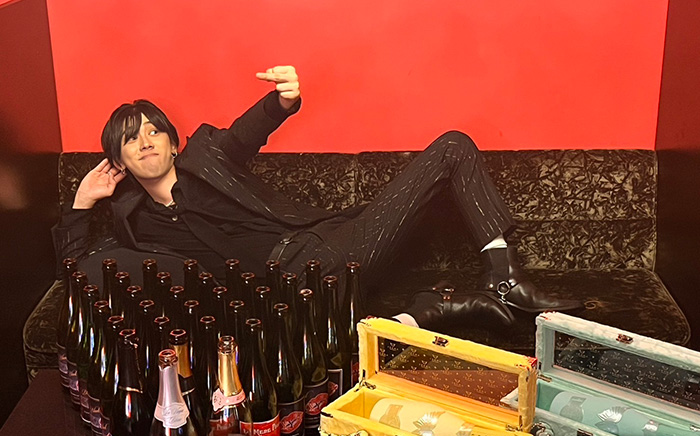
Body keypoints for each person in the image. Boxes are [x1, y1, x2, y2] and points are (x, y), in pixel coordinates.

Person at [53, 65, 581, 330]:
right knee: (320, 340)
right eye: (131, 138)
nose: (146, 140)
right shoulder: (136, 224)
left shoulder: (209, 159)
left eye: (155, 130)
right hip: (285, 303)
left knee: (452, 146)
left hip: (325, 249)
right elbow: (81, 272)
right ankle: (430, 310)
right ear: (119, 160)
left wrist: (282, 101)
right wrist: (81, 202)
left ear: (173, 142)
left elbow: (243, 135)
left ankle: (503, 278)